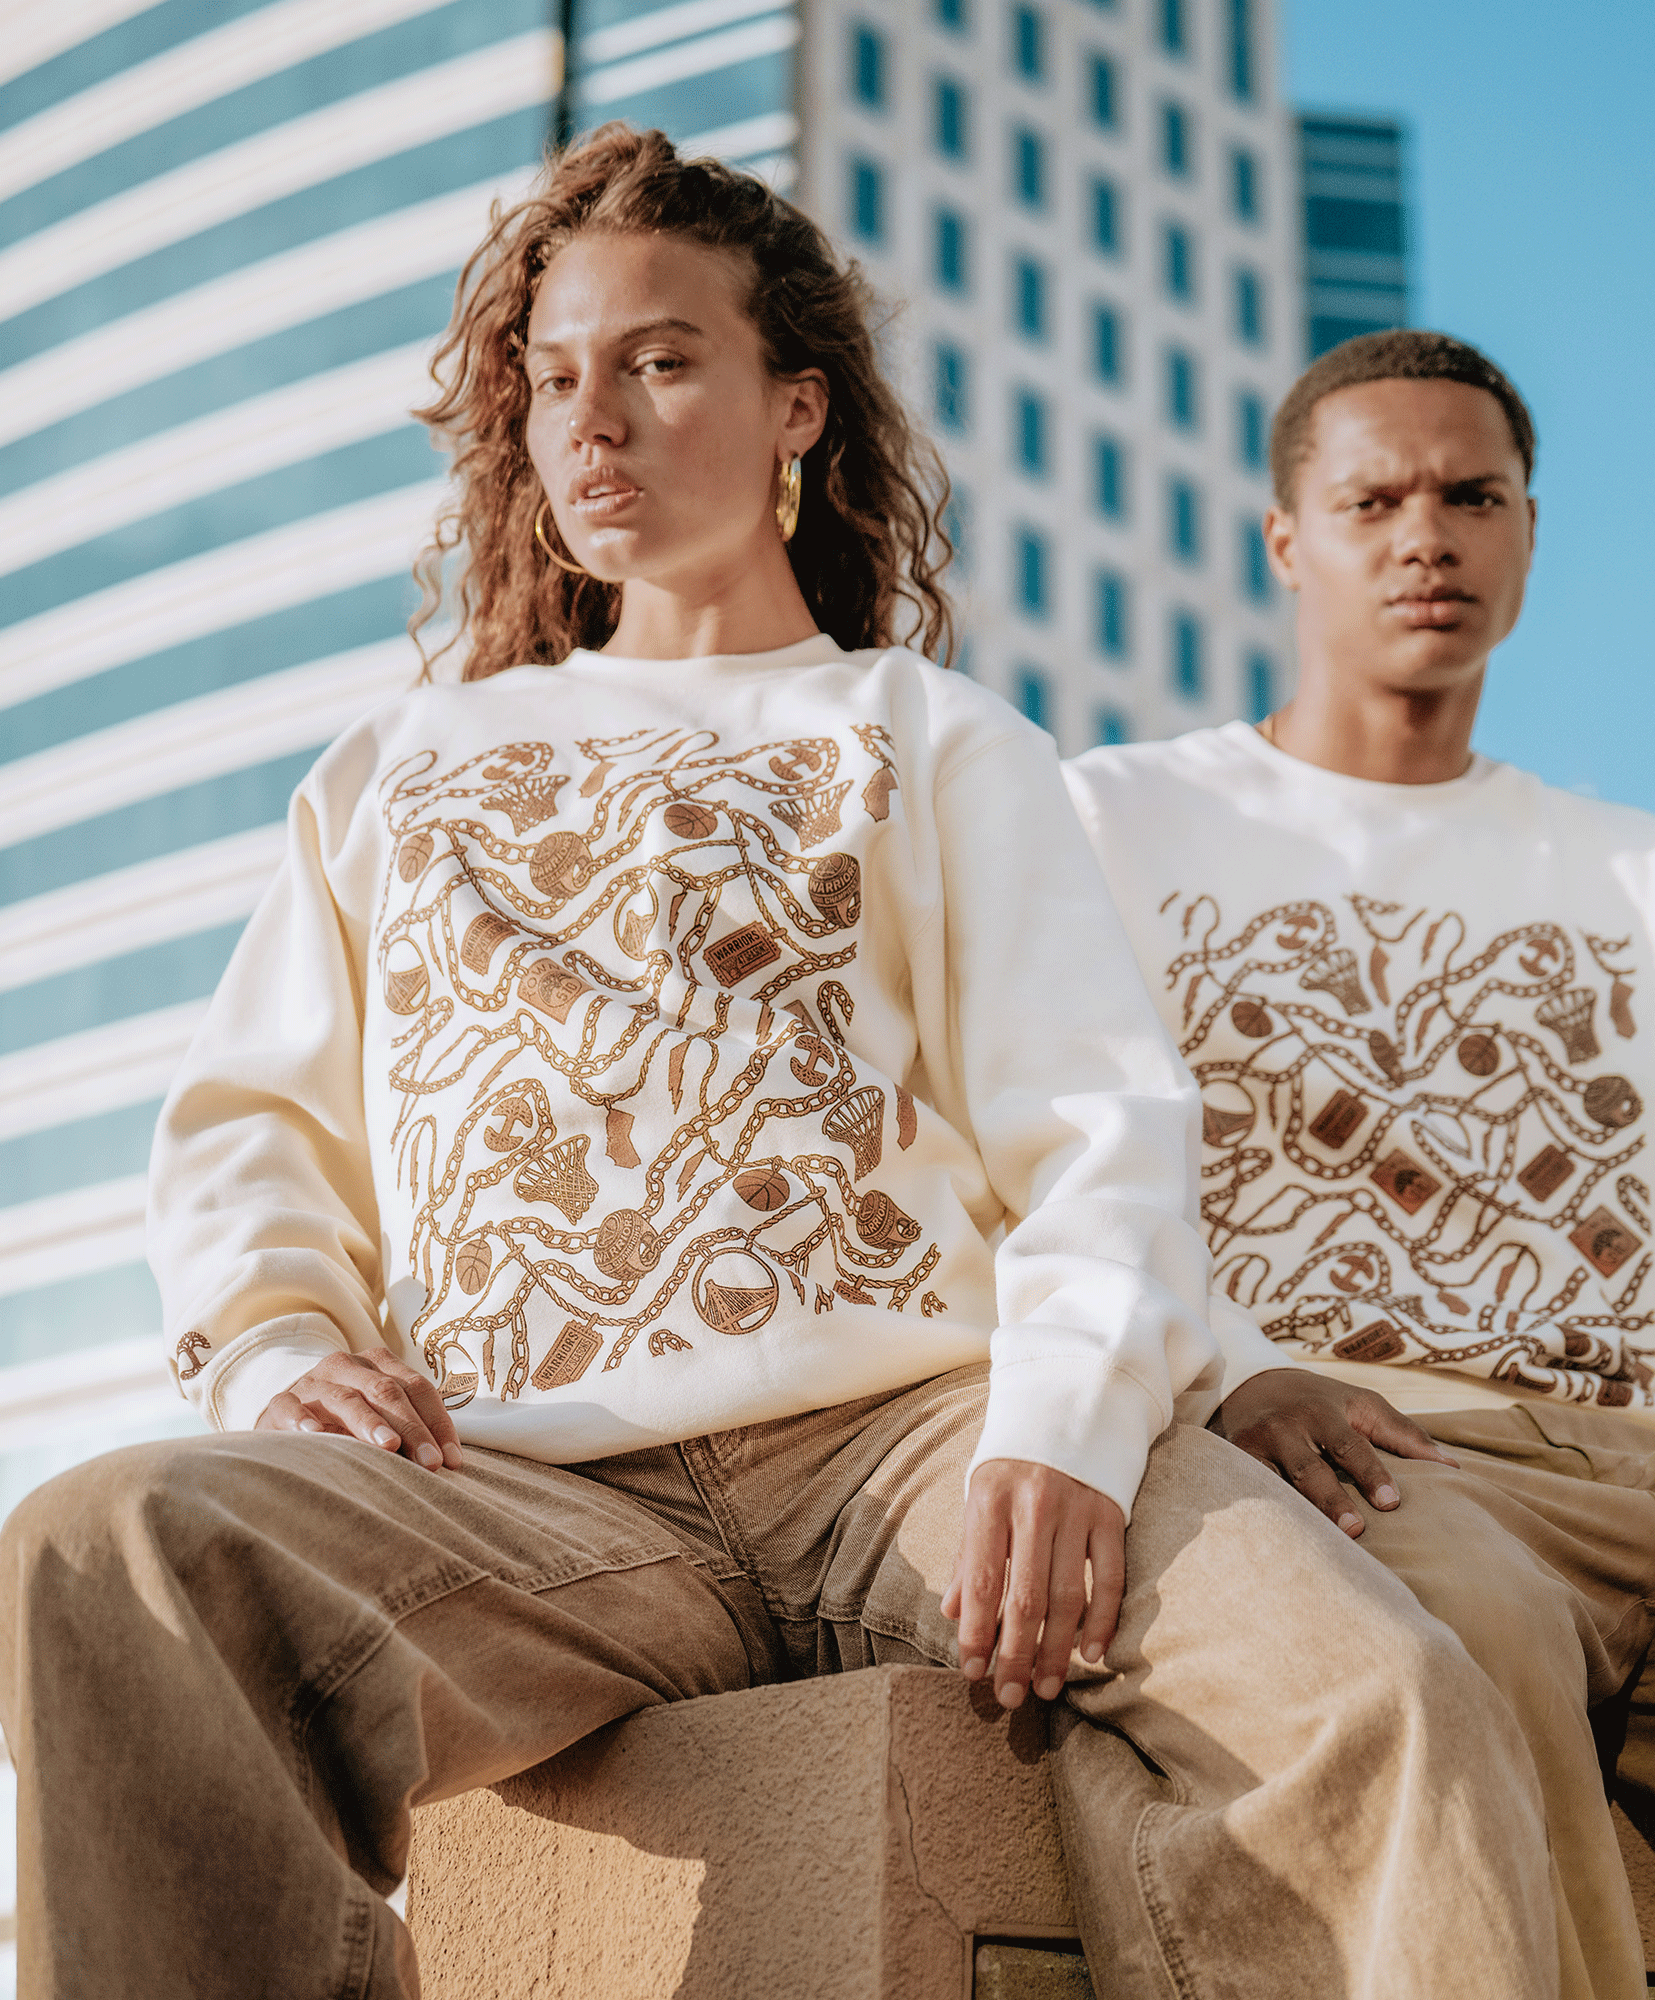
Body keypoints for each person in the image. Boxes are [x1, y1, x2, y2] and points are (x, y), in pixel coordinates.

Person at [0, 139, 1563, 2000]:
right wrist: (278, 1345)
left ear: (792, 404)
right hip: (532, 1498)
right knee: (107, 1549)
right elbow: (248, 1132)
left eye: (659, 361)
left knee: (1379, 1700)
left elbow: (1095, 1130)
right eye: (555, 375)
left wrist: (1062, 1429)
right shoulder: (395, 770)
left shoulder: (929, 733)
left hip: (917, 1440)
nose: (596, 417)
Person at [1065, 328, 1655, 2000]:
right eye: (1376, 500)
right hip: (1373, 1465)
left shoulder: (1647, 875)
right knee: (1467, 1641)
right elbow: (1058, 1177)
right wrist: (1239, 1373)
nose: (1428, 534)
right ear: (1289, 540)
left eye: (1472, 494)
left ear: (1529, 532)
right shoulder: (1115, 822)